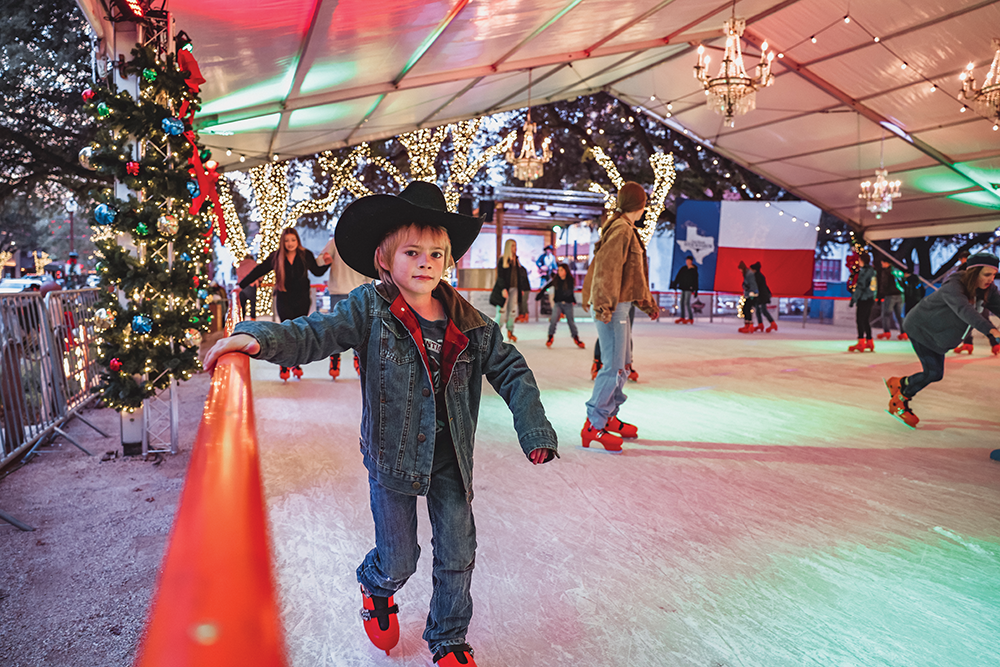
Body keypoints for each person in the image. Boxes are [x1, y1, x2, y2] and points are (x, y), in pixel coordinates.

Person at [204, 181, 557, 667]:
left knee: (458, 551)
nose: (426, 262)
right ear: (384, 260)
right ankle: (375, 586)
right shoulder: (369, 308)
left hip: (450, 454)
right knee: (399, 559)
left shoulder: (471, 321)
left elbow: (512, 369)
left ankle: (449, 638)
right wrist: (256, 338)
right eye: (412, 252)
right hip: (392, 454)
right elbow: (316, 332)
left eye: (436, 253)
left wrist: (533, 427)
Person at [580, 182, 660, 451]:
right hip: (612, 308)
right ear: (640, 204)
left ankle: (609, 415)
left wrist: (647, 304)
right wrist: (603, 305)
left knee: (623, 366)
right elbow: (607, 269)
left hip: (622, 306)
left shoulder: (628, 230)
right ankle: (594, 423)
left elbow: (634, 277)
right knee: (612, 367)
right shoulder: (621, 229)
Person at [883, 252, 1000, 428]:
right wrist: (991, 330)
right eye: (986, 274)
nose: (991, 279)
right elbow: (965, 310)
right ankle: (899, 400)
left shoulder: (989, 290)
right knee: (933, 373)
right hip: (921, 328)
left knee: (934, 373)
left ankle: (899, 383)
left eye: (994, 275)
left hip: (939, 335)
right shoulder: (954, 286)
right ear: (974, 272)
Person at [239, 227, 328, 380]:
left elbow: (317, 272)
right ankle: (285, 365)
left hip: (302, 300)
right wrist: (241, 284)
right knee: (285, 332)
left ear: (297, 240)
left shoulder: (305, 254)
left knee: (299, 333)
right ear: (283, 242)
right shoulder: (276, 256)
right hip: (284, 299)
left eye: (293, 240)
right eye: (286, 241)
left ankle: (296, 363)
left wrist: (327, 263)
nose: (290, 243)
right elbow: (259, 271)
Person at [317, 234, 368, 379]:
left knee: (360, 330)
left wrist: (370, 288)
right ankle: (334, 359)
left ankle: (359, 359)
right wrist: (325, 260)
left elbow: (369, 269)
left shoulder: (364, 243)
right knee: (337, 329)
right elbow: (319, 261)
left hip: (358, 291)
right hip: (338, 291)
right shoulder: (334, 242)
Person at [536, 262, 585, 348]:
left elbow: (570, 292)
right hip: (558, 304)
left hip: (568, 304)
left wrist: (573, 300)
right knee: (553, 321)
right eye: (558, 270)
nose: (559, 272)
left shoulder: (570, 280)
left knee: (571, 322)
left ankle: (576, 338)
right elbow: (546, 286)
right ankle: (550, 337)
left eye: (561, 270)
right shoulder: (556, 280)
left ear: (565, 271)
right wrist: (540, 294)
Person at [489, 239, 523, 342]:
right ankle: (496, 334)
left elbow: (519, 276)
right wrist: (503, 288)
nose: (515, 248)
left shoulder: (516, 260)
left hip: (515, 289)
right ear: (508, 247)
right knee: (502, 312)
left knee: (513, 311)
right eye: (513, 246)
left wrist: (521, 289)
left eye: (515, 246)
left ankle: (510, 331)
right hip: (504, 290)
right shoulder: (503, 260)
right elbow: (500, 277)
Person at [848, 252, 877, 352]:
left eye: (859, 260)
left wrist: (853, 299)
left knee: (860, 320)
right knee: (865, 320)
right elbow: (874, 286)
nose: (858, 262)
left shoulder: (864, 272)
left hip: (863, 298)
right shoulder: (873, 271)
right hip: (870, 298)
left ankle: (861, 341)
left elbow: (860, 286)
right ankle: (869, 341)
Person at [951, 251, 976, 354]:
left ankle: (967, 343)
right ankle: (995, 343)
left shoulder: (963, 269)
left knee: (965, 321)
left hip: (967, 297)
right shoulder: (977, 268)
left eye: (961, 259)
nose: (960, 262)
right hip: (979, 297)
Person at [875, 258, 905, 340]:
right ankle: (904, 332)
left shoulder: (886, 272)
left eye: (882, 263)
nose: (882, 264)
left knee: (886, 314)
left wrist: (880, 295)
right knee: (899, 315)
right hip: (900, 295)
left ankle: (886, 332)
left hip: (890, 295)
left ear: (886, 263)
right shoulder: (897, 271)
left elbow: (884, 284)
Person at [670, 255, 698, 324]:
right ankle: (682, 317)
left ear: (691, 261)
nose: (687, 262)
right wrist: (675, 284)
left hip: (689, 288)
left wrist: (696, 290)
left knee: (687, 302)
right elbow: (678, 277)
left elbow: (696, 281)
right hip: (683, 287)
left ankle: (690, 318)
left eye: (688, 261)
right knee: (681, 302)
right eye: (686, 261)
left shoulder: (694, 271)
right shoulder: (683, 269)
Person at [750, 261, 777, 332]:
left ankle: (772, 323)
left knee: (763, 310)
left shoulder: (757, 276)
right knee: (758, 310)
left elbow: (756, 287)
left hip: (762, 296)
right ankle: (760, 324)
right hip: (761, 295)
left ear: (754, 270)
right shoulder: (759, 276)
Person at [737, 260, 758, 334]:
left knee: (747, 308)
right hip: (749, 294)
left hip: (752, 295)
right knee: (745, 308)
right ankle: (747, 324)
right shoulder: (746, 274)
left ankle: (750, 324)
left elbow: (753, 284)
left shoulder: (749, 274)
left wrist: (751, 291)